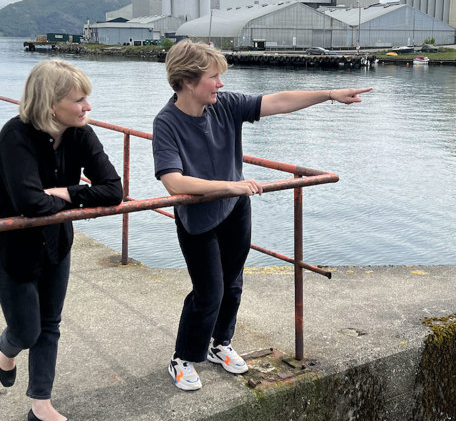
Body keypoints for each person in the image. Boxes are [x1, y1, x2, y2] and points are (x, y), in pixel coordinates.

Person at [152, 40, 371, 391]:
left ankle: (220, 344)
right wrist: (229, 185)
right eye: (214, 77)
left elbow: (279, 101)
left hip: (235, 208)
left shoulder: (224, 105)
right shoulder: (167, 122)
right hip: (197, 217)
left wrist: (330, 93)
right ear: (189, 81)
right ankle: (182, 357)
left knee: (234, 283)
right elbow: (173, 181)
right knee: (209, 292)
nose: (220, 84)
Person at [0, 59, 123, 421]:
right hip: (11, 245)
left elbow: (113, 190)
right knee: (26, 331)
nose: (87, 107)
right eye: (79, 99)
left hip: (56, 240)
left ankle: (40, 404)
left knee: (50, 324)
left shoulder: (80, 134)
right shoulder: (16, 135)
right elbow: (29, 202)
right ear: (50, 104)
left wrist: (64, 192)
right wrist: (79, 197)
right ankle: (7, 348)